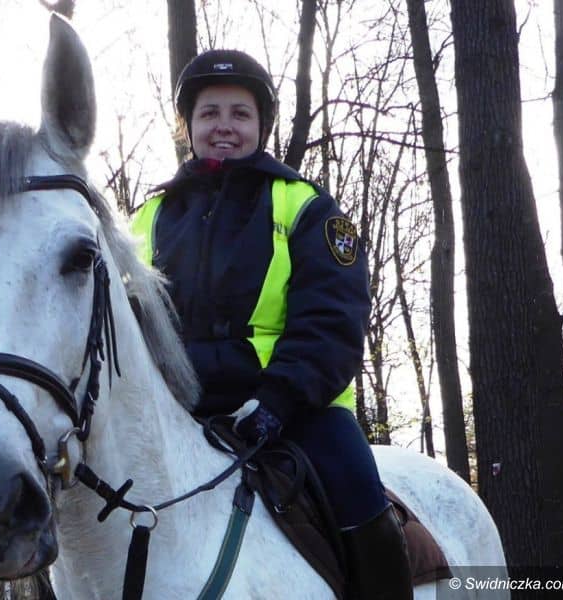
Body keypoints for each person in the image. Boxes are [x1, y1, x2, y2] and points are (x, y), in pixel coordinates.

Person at [130, 49, 412, 599]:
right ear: (188, 126)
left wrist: (277, 402)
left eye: (240, 113)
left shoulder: (306, 207)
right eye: (210, 113)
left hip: (296, 411)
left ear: (261, 125)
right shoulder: (147, 217)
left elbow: (333, 320)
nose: (224, 126)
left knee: (360, 501)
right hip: (177, 413)